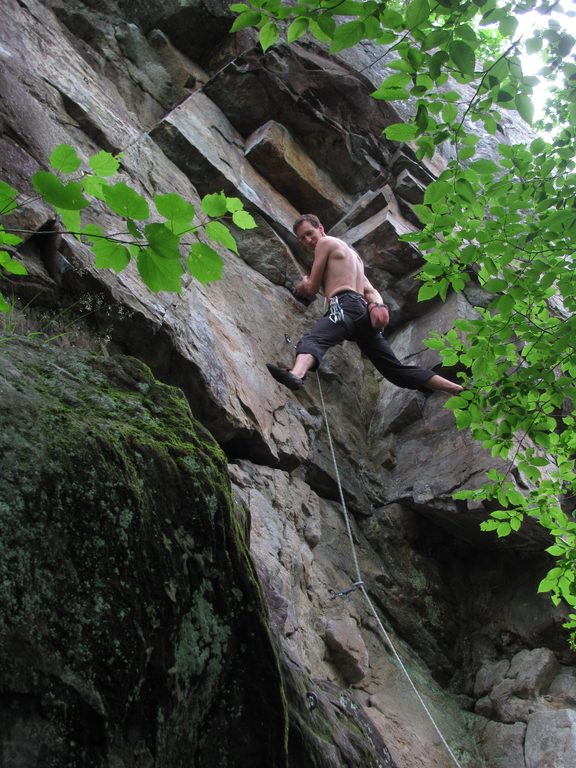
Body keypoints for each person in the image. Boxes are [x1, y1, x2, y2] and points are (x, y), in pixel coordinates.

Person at [266, 214, 463, 395]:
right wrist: (379, 308)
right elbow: (371, 292)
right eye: (302, 238)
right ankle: (455, 388)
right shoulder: (354, 258)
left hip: (345, 305)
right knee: (395, 370)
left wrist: (303, 284)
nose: (307, 241)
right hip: (362, 314)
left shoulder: (325, 243)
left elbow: (311, 288)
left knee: (314, 340)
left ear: (321, 229)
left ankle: (296, 375)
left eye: (309, 234)